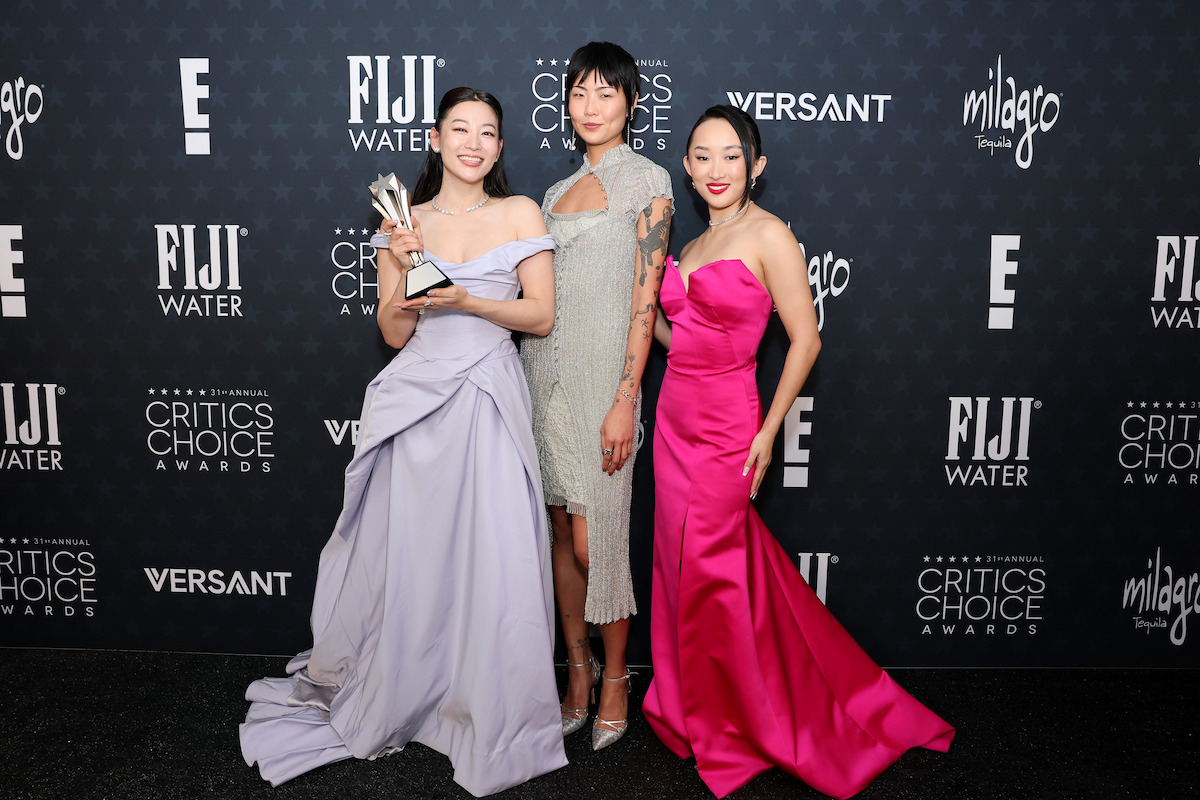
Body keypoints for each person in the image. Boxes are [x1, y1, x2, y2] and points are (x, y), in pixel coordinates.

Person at [239, 87, 567, 797]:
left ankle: (488, 701)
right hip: (419, 400)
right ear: (435, 138)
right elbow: (393, 334)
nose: (474, 143)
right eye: (460, 129)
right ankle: (412, 689)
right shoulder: (402, 221)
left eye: (487, 133)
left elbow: (539, 316)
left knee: (498, 550)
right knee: (419, 553)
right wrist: (406, 280)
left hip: (486, 391)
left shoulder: (519, 212)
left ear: (501, 147)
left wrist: (468, 298)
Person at [643, 105, 955, 799]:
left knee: (716, 571)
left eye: (732, 155)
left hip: (729, 422)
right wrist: (641, 310)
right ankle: (694, 703)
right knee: (680, 566)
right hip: (673, 421)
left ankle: (737, 718)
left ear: (756, 165)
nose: (717, 169)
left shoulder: (770, 236)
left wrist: (769, 429)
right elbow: (680, 342)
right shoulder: (689, 249)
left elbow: (806, 339)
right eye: (703, 156)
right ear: (688, 168)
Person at [520, 41, 672, 751]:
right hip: (541, 373)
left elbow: (646, 300)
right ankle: (574, 671)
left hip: (603, 384)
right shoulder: (552, 193)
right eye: (579, 92)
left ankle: (616, 678)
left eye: (605, 93)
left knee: (596, 538)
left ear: (631, 103)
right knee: (558, 530)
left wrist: (625, 396)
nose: (590, 106)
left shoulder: (649, 182)